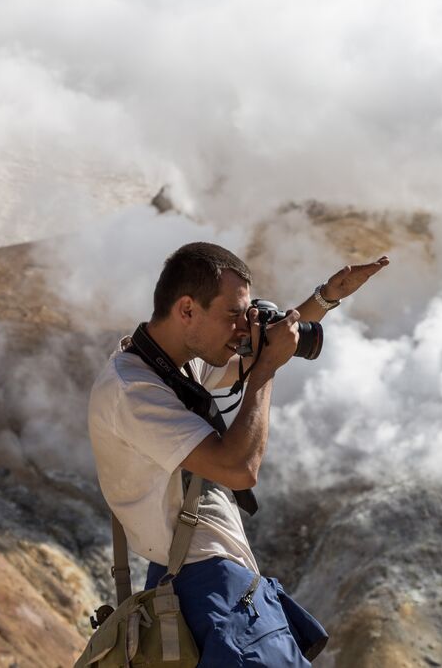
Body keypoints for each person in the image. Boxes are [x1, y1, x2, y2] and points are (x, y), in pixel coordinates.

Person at [87, 241, 389, 666]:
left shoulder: (174, 362)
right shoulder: (134, 389)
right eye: (233, 315)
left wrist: (325, 298)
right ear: (187, 309)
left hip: (190, 575)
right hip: (206, 578)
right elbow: (239, 469)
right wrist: (265, 372)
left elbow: (257, 349)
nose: (241, 330)